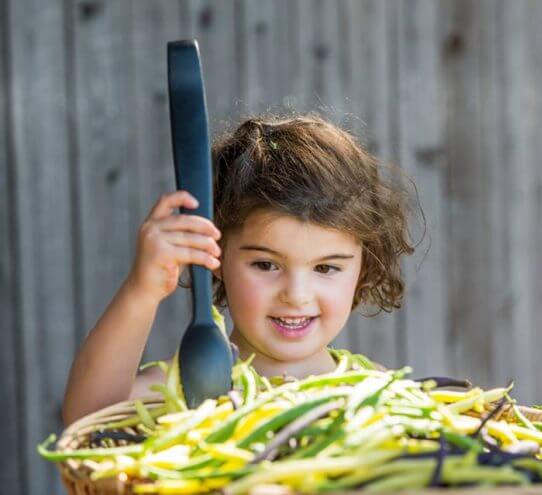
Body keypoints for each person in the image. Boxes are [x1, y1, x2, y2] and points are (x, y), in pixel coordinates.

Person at [62, 115, 417, 426]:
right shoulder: (190, 389)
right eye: (266, 264)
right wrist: (142, 292)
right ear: (214, 255)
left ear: (364, 265)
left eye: (325, 267)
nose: (296, 294)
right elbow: (89, 419)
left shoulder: (380, 393)